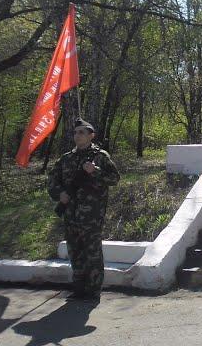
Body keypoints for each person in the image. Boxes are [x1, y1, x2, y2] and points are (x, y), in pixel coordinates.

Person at [48, 118, 120, 301]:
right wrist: (60, 194)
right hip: (71, 215)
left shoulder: (100, 156)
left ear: (91, 135)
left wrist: (95, 171)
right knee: (75, 252)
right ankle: (79, 289)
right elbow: (52, 182)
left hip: (92, 215)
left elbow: (114, 179)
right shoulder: (66, 159)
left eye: (82, 132)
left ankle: (93, 291)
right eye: (75, 132)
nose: (77, 135)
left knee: (92, 253)